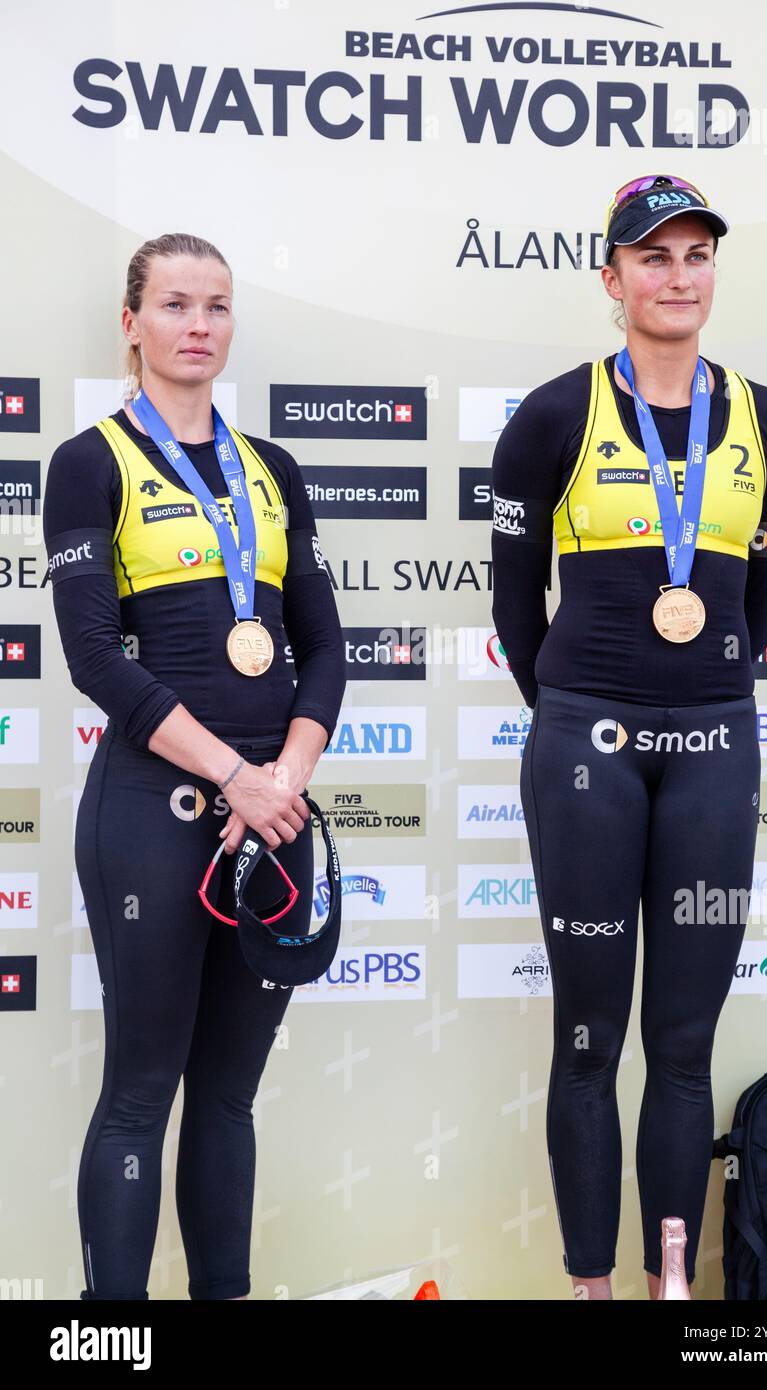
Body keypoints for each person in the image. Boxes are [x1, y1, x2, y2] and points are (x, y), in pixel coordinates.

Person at [490, 176, 767, 1299]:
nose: (677, 277)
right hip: (587, 742)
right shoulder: (552, 413)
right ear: (611, 279)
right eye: (652, 258)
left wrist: (703, 686)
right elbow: (511, 601)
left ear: (711, 272)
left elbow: (754, 606)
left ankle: (672, 1295)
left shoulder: (766, 418)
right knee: (587, 1040)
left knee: (679, 1046)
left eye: (694, 255)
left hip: (714, 746)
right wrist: (576, 706)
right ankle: (591, 1287)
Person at [43, 231, 346, 1301]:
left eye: (215, 306)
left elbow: (325, 651)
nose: (198, 326)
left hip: (267, 820)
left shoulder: (272, 470)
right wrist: (237, 778)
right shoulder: (90, 461)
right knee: (141, 1091)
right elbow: (92, 660)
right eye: (174, 305)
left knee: (226, 1097)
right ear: (131, 323)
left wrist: (283, 786)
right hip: (154, 812)